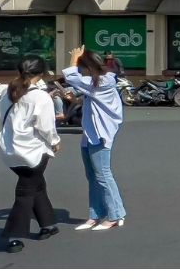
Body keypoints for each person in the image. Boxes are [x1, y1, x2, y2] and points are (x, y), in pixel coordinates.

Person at [0, 56, 61, 253]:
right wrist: (55, 141)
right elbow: (46, 126)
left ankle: (47, 225)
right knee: (26, 192)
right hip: (34, 151)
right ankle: (14, 236)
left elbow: (3, 119)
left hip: (10, 150)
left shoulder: (7, 93)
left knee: (36, 185)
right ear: (41, 74)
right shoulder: (41, 97)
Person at [62, 45, 126, 231]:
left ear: (88, 68)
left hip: (100, 135)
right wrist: (75, 100)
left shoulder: (105, 81)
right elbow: (92, 98)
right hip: (90, 134)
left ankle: (115, 214)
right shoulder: (98, 83)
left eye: (82, 68)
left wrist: (74, 59)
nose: (81, 72)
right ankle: (95, 214)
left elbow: (72, 77)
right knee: (92, 176)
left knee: (103, 174)